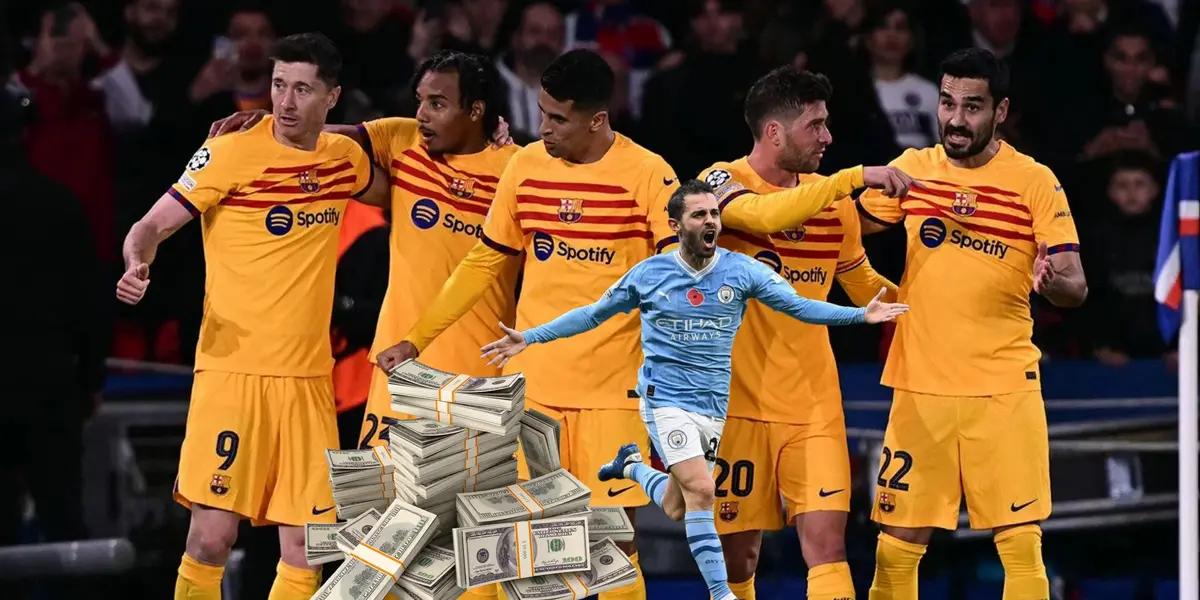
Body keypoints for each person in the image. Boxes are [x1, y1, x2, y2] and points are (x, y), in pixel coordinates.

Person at [480, 179, 908, 600]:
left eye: (715, 214)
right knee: (702, 491)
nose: (711, 222)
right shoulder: (650, 274)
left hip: (712, 407)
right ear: (676, 224)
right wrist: (529, 337)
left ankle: (631, 468)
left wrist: (860, 317)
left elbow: (799, 306)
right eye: (699, 214)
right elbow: (592, 315)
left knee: (677, 504)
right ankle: (721, 593)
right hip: (664, 401)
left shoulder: (741, 271)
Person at [377, 48, 675, 600]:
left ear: (597, 119)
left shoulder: (648, 175)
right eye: (540, 113)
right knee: (519, 545)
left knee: (612, 546)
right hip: (536, 391)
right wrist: (416, 339)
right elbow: (483, 262)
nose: (543, 129)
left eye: (558, 118)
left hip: (613, 394)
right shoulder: (527, 166)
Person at [115, 33, 379, 600]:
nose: (285, 101)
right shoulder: (229, 152)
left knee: (307, 547)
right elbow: (150, 225)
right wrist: (137, 261)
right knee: (211, 538)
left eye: (302, 89)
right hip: (232, 374)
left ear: (331, 97)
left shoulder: (345, 161)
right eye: (279, 85)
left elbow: (407, 150)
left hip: (308, 382)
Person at [855, 48, 1087, 600]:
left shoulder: (1034, 181)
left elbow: (1075, 285)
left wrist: (1050, 280)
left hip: (1003, 388)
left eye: (973, 106)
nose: (956, 119)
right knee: (895, 547)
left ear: (1000, 111)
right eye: (947, 103)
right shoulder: (912, 170)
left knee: (1021, 546)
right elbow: (841, 230)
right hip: (920, 387)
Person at [696, 65, 900, 600]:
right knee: (737, 557)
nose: (827, 137)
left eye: (826, 123)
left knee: (828, 547)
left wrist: (932, 305)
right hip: (735, 406)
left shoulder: (832, 202)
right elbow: (761, 216)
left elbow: (862, 283)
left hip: (813, 405)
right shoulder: (718, 182)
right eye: (815, 125)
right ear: (774, 132)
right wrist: (852, 178)